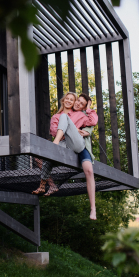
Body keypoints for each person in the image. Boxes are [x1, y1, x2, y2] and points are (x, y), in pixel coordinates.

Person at [32, 91, 99, 220]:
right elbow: (53, 131)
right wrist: (68, 131)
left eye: (81, 103)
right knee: (46, 157)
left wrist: (89, 109)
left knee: (64, 117)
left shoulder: (81, 115)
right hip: (64, 144)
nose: (77, 103)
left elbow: (93, 121)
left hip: (76, 144)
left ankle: (93, 209)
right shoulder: (56, 116)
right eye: (77, 101)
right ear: (63, 101)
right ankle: (45, 184)